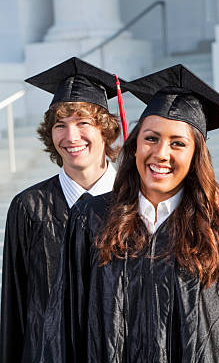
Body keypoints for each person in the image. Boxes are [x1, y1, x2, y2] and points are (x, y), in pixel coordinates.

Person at [39, 65, 219, 362]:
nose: (161, 153)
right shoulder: (91, 218)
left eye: (178, 143)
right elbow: (64, 326)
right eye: (151, 138)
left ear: (195, 156)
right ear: (135, 145)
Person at [0, 57, 125, 362]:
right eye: (60, 126)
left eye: (84, 123)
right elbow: (14, 305)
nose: (71, 137)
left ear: (105, 130)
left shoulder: (133, 203)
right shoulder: (29, 207)